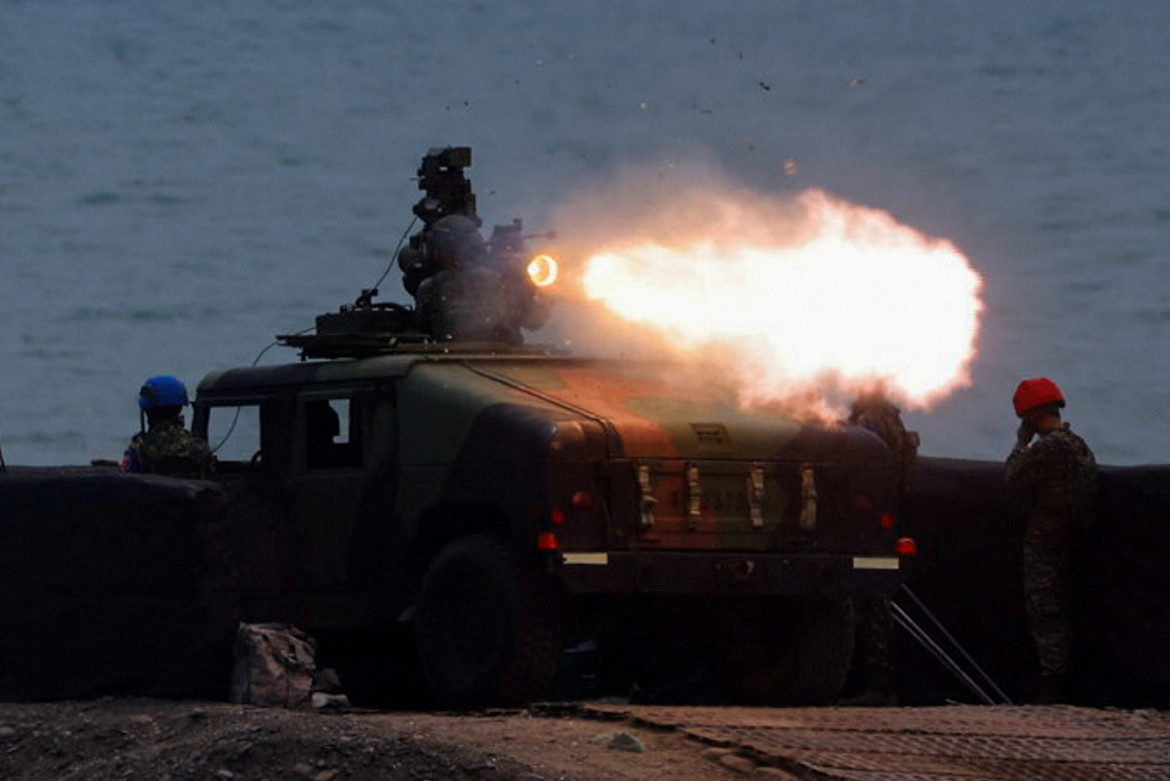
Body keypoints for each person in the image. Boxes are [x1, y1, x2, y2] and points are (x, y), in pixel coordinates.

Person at [1005, 377, 1097, 703]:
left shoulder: (1047, 448)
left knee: (1046, 613)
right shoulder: (1079, 444)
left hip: (1045, 544)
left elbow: (1012, 477)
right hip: (1073, 540)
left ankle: (1053, 687)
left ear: (1030, 417)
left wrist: (1020, 443)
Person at [839, 389, 920, 706]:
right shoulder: (892, 420)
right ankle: (876, 684)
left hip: (868, 527)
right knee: (874, 599)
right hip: (883, 523)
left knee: (871, 602)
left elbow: (862, 469)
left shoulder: (871, 421)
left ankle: (875, 686)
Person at [122, 375, 213, 479]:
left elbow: (130, 481)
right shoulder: (199, 447)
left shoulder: (140, 447)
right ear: (180, 408)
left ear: (148, 411)